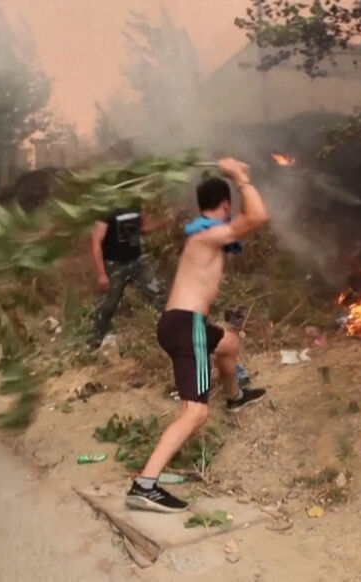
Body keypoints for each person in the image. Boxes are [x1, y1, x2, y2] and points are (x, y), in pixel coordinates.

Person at [125, 158, 268, 513]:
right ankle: (145, 485)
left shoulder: (201, 233)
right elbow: (258, 218)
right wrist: (241, 177)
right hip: (187, 327)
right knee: (195, 413)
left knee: (230, 343)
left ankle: (235, 396)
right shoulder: (208, 234)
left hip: (185, 324)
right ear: (225, 204)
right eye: (230, 204)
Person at [89, 203, 170, 348]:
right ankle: (95, 339)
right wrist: (101, 274)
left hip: (137, 261)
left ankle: (175, 329)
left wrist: (163, 223)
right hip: (116, 265)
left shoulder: (135, 203)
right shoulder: (107, 208)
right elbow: (96, 242)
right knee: (108, 305)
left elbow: (141, 229)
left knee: (159, 295)